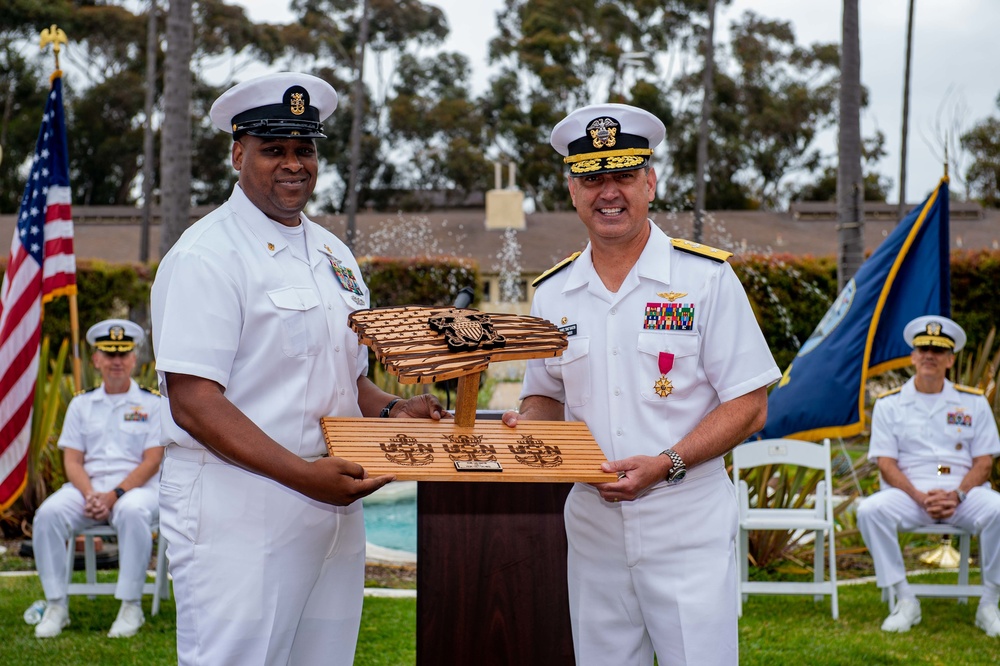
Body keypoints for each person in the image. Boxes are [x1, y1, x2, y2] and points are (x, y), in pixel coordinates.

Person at [150, 71, 447, 665]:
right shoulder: (207, 255)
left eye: (304, 149)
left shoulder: (333, 253)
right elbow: (193, 401)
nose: (293, 164)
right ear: (238, 153)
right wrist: (302, 476)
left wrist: (392, 410)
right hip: (240, 504)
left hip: (331, 495)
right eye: (273, 149)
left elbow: (342, 376)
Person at [502, 103, 781, 665]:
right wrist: (526, 430)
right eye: (592, 178)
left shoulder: (704, 278)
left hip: (686, 520)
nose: (609, 192)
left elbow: (750, 405)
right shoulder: (553, 293)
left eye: (624, 175)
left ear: (650, 182)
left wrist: (667, 462)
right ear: (572, 190)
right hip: (592, 525)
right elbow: (546, 394)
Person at [857, 315, 1000, 636]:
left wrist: (957, 494)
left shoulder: (973, 403)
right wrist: (921, 497)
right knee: (869, 511)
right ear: (912, 356)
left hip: (962, 495)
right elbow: (886, 463)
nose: (929, 356)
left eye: (937, 350)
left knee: (999, 510)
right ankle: (905, 599)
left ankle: (989, 604)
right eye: (923, 349)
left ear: (950, 359)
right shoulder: (889, 405)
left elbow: (984, 461)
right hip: (911, 495)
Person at [32, 318, 162, 639]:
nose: (116, 361)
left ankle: (131, 605)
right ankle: (56, 605)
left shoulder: (152, 404)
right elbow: (72, 460)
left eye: (123, 354)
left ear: (134, 358)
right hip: (87, 489)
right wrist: (91, 494)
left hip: (137, 490)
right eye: (109, 354)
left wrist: (113, 495)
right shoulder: (81, 403)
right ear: (96, 360)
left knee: (132, 512)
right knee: (47, 514)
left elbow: (152, 460)